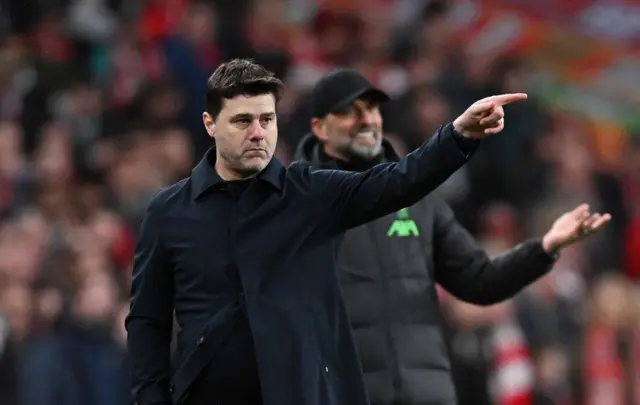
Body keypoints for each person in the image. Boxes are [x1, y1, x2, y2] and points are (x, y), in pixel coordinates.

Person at [125, 58, 527, 405]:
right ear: (210, 124)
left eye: (267, 120)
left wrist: (458, 135)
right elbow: (147, 320)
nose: (258, 133)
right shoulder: (168, 211)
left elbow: (398, 181)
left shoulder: (309, 192)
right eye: (243, 121)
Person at [293, 68, 611, 405]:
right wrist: (458, 135)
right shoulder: (302, 201)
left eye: (371, 110)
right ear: (320, 129)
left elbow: (480, 280)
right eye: (349, 112)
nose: (366, 120)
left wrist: (546, 247)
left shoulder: (419, 206)